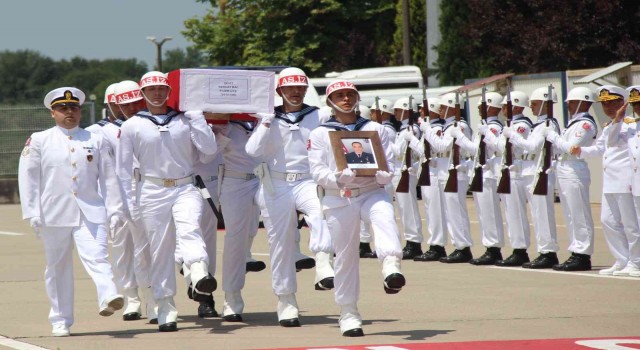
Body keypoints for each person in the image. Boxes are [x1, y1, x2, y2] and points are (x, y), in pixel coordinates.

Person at [19, 87, 126, 337]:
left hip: (91, 211)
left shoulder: (94, 139)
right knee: (58, 267)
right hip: (53, 214)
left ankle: (108, 295)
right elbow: (29, 178)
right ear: (52, 113)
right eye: (63, 108)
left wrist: (116, 209)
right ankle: (60, 319)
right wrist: (32, 212)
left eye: (74, 108)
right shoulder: (39, 140)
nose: (70, 112)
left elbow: (110, 178)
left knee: (97, 255)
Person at [116, 71, 218, 332]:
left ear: (170, 92)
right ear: (143, 94)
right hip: (152, 191)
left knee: (190, 228)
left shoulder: (184, 120)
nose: (158, 94)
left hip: (185, 186)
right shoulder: (132, 125)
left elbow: (208, 153)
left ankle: (198, 273)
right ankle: (165, 307)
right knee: (160, 251)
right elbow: (124, 169)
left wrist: (197, 117)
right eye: (152, 90)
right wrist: (129, 203)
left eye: (162, 89)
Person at [308, 79, 405, 337]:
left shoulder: (375, 129)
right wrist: (337, 178)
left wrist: (385, 176)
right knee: (346, 256)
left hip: (373, 190)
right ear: (330, 101)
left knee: (385, 219)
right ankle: (348, 312)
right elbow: (317, 171)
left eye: (350, 94)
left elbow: (389, 163)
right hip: (339, 196)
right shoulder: (320, 133)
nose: (346, 99)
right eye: (340, 95)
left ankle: (391, 266)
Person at [245, 67, 335, 327]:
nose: (295, 92)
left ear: (306, 89)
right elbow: (252, 150)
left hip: (308, 180)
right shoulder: (268, 117)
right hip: (276, 184)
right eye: (289, 88)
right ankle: (286, 301)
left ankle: (322, 262)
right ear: (279, 91)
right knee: (280, 245)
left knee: (320, 215)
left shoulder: (319, 115)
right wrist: (264, 121)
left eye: (300, 87)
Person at [93, 81, 156, 322]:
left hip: (141, 192)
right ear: (110, 104)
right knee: (122, 251)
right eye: (119, 103)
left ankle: (151, 300)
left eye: (132, 102)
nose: (126, 107)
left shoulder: (145, 124)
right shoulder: (98, 131)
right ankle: (132, 298)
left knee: (144, 251)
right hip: (114, 197)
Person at [572, 86, 640, 276]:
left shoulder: (630, 124)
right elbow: (601, 147)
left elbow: (611, 143)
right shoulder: (611, 125)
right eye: (604, 104)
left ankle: (636, 261)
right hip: (610, 182)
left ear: (622, 103)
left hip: (626, 181)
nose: (607, 107)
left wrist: (618, 120)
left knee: (631, 225)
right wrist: (581, 151)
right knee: (608, 221)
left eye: (611, 103)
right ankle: (622, 259)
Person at [493, 88, 561, 268]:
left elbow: (531, 147)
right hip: (529, 171)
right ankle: (536, 251)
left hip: (539, 171)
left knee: (543, 214)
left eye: (536, 103)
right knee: (536, 214)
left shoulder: (546, 124)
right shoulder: (539, 125)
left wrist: (511, 135)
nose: (531, 106)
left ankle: (548, 252)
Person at [210, 114, 262, 322]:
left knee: (281, 227)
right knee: (234, 239)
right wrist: (219, 130)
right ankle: (232, 299)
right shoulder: (225, 122)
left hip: (266, 178)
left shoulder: (267, 119)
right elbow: (208, 154)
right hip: (235, 181)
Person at [544, 86, 597, 271]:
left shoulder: (585, 124)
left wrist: (553, 136)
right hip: (564, 168)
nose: (569, 106)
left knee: (580, 214)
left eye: (573, 102)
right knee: (570, 214)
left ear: (584, 103)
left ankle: (583, 254)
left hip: (575, 168)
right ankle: (576, 251)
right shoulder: (573, 123)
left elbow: (571, 147)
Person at [452, 92, 507, 265]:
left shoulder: (494, 127)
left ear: (490, 106)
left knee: (490, 213)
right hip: (481, 173)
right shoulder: (485, 126)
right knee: (484, 214)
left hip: (489, 174)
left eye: (480, 106)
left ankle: (494, 249)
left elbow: (478, 150)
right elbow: (475, 152)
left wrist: (459, 137)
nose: (478, 109)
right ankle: (489, 247)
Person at [422, 92, 474, 263]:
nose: (441, 110)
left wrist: (427, 130)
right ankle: (459, 245)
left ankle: (463, 248)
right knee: (450, 213)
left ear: (453, 107)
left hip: (455, 173)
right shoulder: (449, 126)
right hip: (446, 172)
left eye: (444, 107)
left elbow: (441, 146)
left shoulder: (459, 126)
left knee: (456, 212)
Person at [606, 85, 640, 277]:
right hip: (635, 182)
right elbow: (610, 142)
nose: (637, 108)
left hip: (631, 181)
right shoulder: (632, 126)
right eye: (634, 104)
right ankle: (633, 261)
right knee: (634, 225)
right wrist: (618, 119)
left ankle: (636, 261)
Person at [359, 98, 396, 258]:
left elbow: (391, 152)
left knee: (381, 217)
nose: (373, 114)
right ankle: (365, 243)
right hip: (372, 175)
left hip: (383, 175)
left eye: (375, 111)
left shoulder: (383, 130)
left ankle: (383, 250)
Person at [412, 97, 449, 262]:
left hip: (435, 172)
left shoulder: (437, 128)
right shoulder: (429, 128)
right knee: (429, 210)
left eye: (423, 109)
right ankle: (434, 244)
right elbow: (422, 151)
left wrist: (423, 133)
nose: (420, 112)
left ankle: (437, 246)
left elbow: (433, 148)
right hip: (428, 171)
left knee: (435, 211)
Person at [393, 97, 424, 259]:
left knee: (409, 209)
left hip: (406, 171)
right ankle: (410, 241)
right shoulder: (403, 129)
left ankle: (414, 243)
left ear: (405, 110)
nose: (394, 113)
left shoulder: (411, 129)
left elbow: (399, 152)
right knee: (404, 210)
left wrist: (383, 143)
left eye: (397, 110)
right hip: (400, 171)